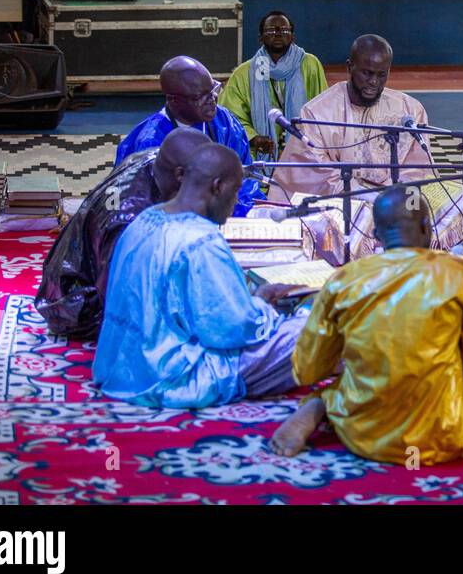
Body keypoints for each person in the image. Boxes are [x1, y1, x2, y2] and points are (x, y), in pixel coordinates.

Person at [269, 186, 463, 462]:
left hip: (362, 432)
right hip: (444, 434)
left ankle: (321, 404)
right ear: (426, 228)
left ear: (376, 235)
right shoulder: (461, 274)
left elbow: (307, 370)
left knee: (345, 385)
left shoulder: (344, 279)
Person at [94, 144, 307, 408]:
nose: (237, 201)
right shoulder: (202, 240)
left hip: (121, 365)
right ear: (218, 186)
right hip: (172, 375)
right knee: (312, 328)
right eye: (236, 190)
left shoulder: (143, 220)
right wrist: (264, 305)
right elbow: (233, 330)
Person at [36, 128, 209, 339]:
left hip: (77, 275)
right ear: (180, 175)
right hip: (77, 305)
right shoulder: (131, 222)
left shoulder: (153, 159)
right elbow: (119, 297)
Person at [271, 34, 430, 199]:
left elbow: (417, 169)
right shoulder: (317, 113)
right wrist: (366, 197)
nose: (374, 82)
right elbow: (317, 173)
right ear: (349, 67)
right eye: (367, 73)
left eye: (381, 75)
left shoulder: (409, 110)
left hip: (394, 200)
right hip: (340, 202)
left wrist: (391, 195)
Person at [116, 56, 261, 216]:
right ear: (174, 100)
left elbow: (245, 179)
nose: (212, 100)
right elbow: (148, 206)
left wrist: (244, 214)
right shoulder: (150, 141)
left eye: (213, 90)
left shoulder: (225, 122)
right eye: (200, 97)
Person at [217, 11, 329, 159]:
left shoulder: (309, 64)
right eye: (271, 30)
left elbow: (324, 109)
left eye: (284, 30)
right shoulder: (246, 72)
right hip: (260, 153)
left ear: (292, 36)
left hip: (304, 149)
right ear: (260, 38)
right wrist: (254, 138)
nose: (277, 34)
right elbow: (230, 116)